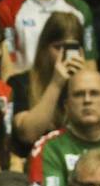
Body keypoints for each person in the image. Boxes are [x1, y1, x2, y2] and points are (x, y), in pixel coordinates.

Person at [9, 10, 86, 151]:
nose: (65, 56)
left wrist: (81, 84)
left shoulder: (87, 85)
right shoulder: (20, 83)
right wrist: (56, 83)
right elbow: (28, 134)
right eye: (58, 48)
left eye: (71, 49)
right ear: (44, 48)